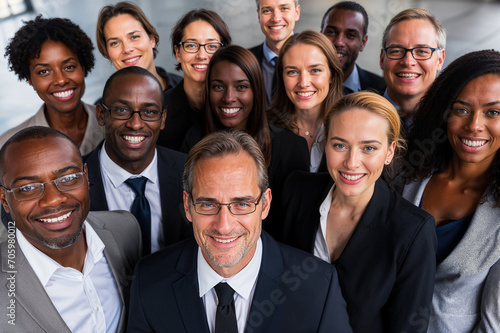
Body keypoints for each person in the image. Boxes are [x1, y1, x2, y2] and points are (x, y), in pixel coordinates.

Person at [127, 131, 352, 333]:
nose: (224, 226)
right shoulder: (149, 282)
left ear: (265, 204)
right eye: (207, 204)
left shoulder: (317, 288)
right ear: (187, 205)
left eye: (242, 204)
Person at [281, 92, 437, 333]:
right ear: (326, 143)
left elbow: (408, 328)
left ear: (389, 152)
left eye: (369, 148)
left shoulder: (412, 231)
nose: (352, 162)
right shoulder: (297, 191)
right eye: (340, 145)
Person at [0, 126, 141, 332]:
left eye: (67, 179)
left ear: (86, 176)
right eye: (28, 188)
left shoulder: (124, 229)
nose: (53, 199)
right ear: (4, 199)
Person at [401, 50, 500, 333]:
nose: (474, 125)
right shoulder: (408, 175)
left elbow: (494, 324)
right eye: (461, 109)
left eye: (493, 112)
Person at [181, 45, 309, 240]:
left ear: (256, 90)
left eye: (241, 87)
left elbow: (294, 230)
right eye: (218, 87)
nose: (229, 97)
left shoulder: (291, 147)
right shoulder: (193, 139)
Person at [84, 66, 191, 256]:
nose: (135, 124)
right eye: (122, 110)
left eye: (149, 112)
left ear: (163, 118)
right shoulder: (74, 180)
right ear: (101, 115)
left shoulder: (190, 172)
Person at [1, 15, 104, 155]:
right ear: (30, 80)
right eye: (44, 71)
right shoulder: (9, 148)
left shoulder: (116, 126)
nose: (61, 80)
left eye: (69, 67)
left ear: (83, 68)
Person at [156, 9, 232, 151]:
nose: (201, 55)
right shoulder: (158, 111)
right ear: (178, 53)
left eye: (212, 46)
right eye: (191, 45)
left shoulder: (235, 107)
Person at [268, 30, 343, 172]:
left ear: (332, 75)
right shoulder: (264, 131)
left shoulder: (349, 127)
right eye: (292, 72)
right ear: (282, 77)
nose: (303, 83)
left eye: (315, 70)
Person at [95, 1, 182, 95]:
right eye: (115, 43)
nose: (127, 49)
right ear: (107, 53)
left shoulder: (185, 92)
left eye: (134, 37)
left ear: (151, 40)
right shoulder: (104, 107)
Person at [380, 8, 446, 131]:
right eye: (396, 51)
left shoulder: (452, 122)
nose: (408, 62)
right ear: (382, 59)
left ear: (440, 60)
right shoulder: (354, 115)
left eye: (422, 51)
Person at [320, 1, 386, 94]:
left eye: (350, 35)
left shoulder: (382, 90)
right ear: (320, 35)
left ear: (363, 43)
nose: (339, 42)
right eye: (331, 32)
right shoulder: (302, 84)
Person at [249, 0, 301, 103]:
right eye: (267, 10)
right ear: (259, 16)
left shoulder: (314, 59)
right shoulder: (244, 61)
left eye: (284, 9)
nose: (276, 19)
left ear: (296, 13)